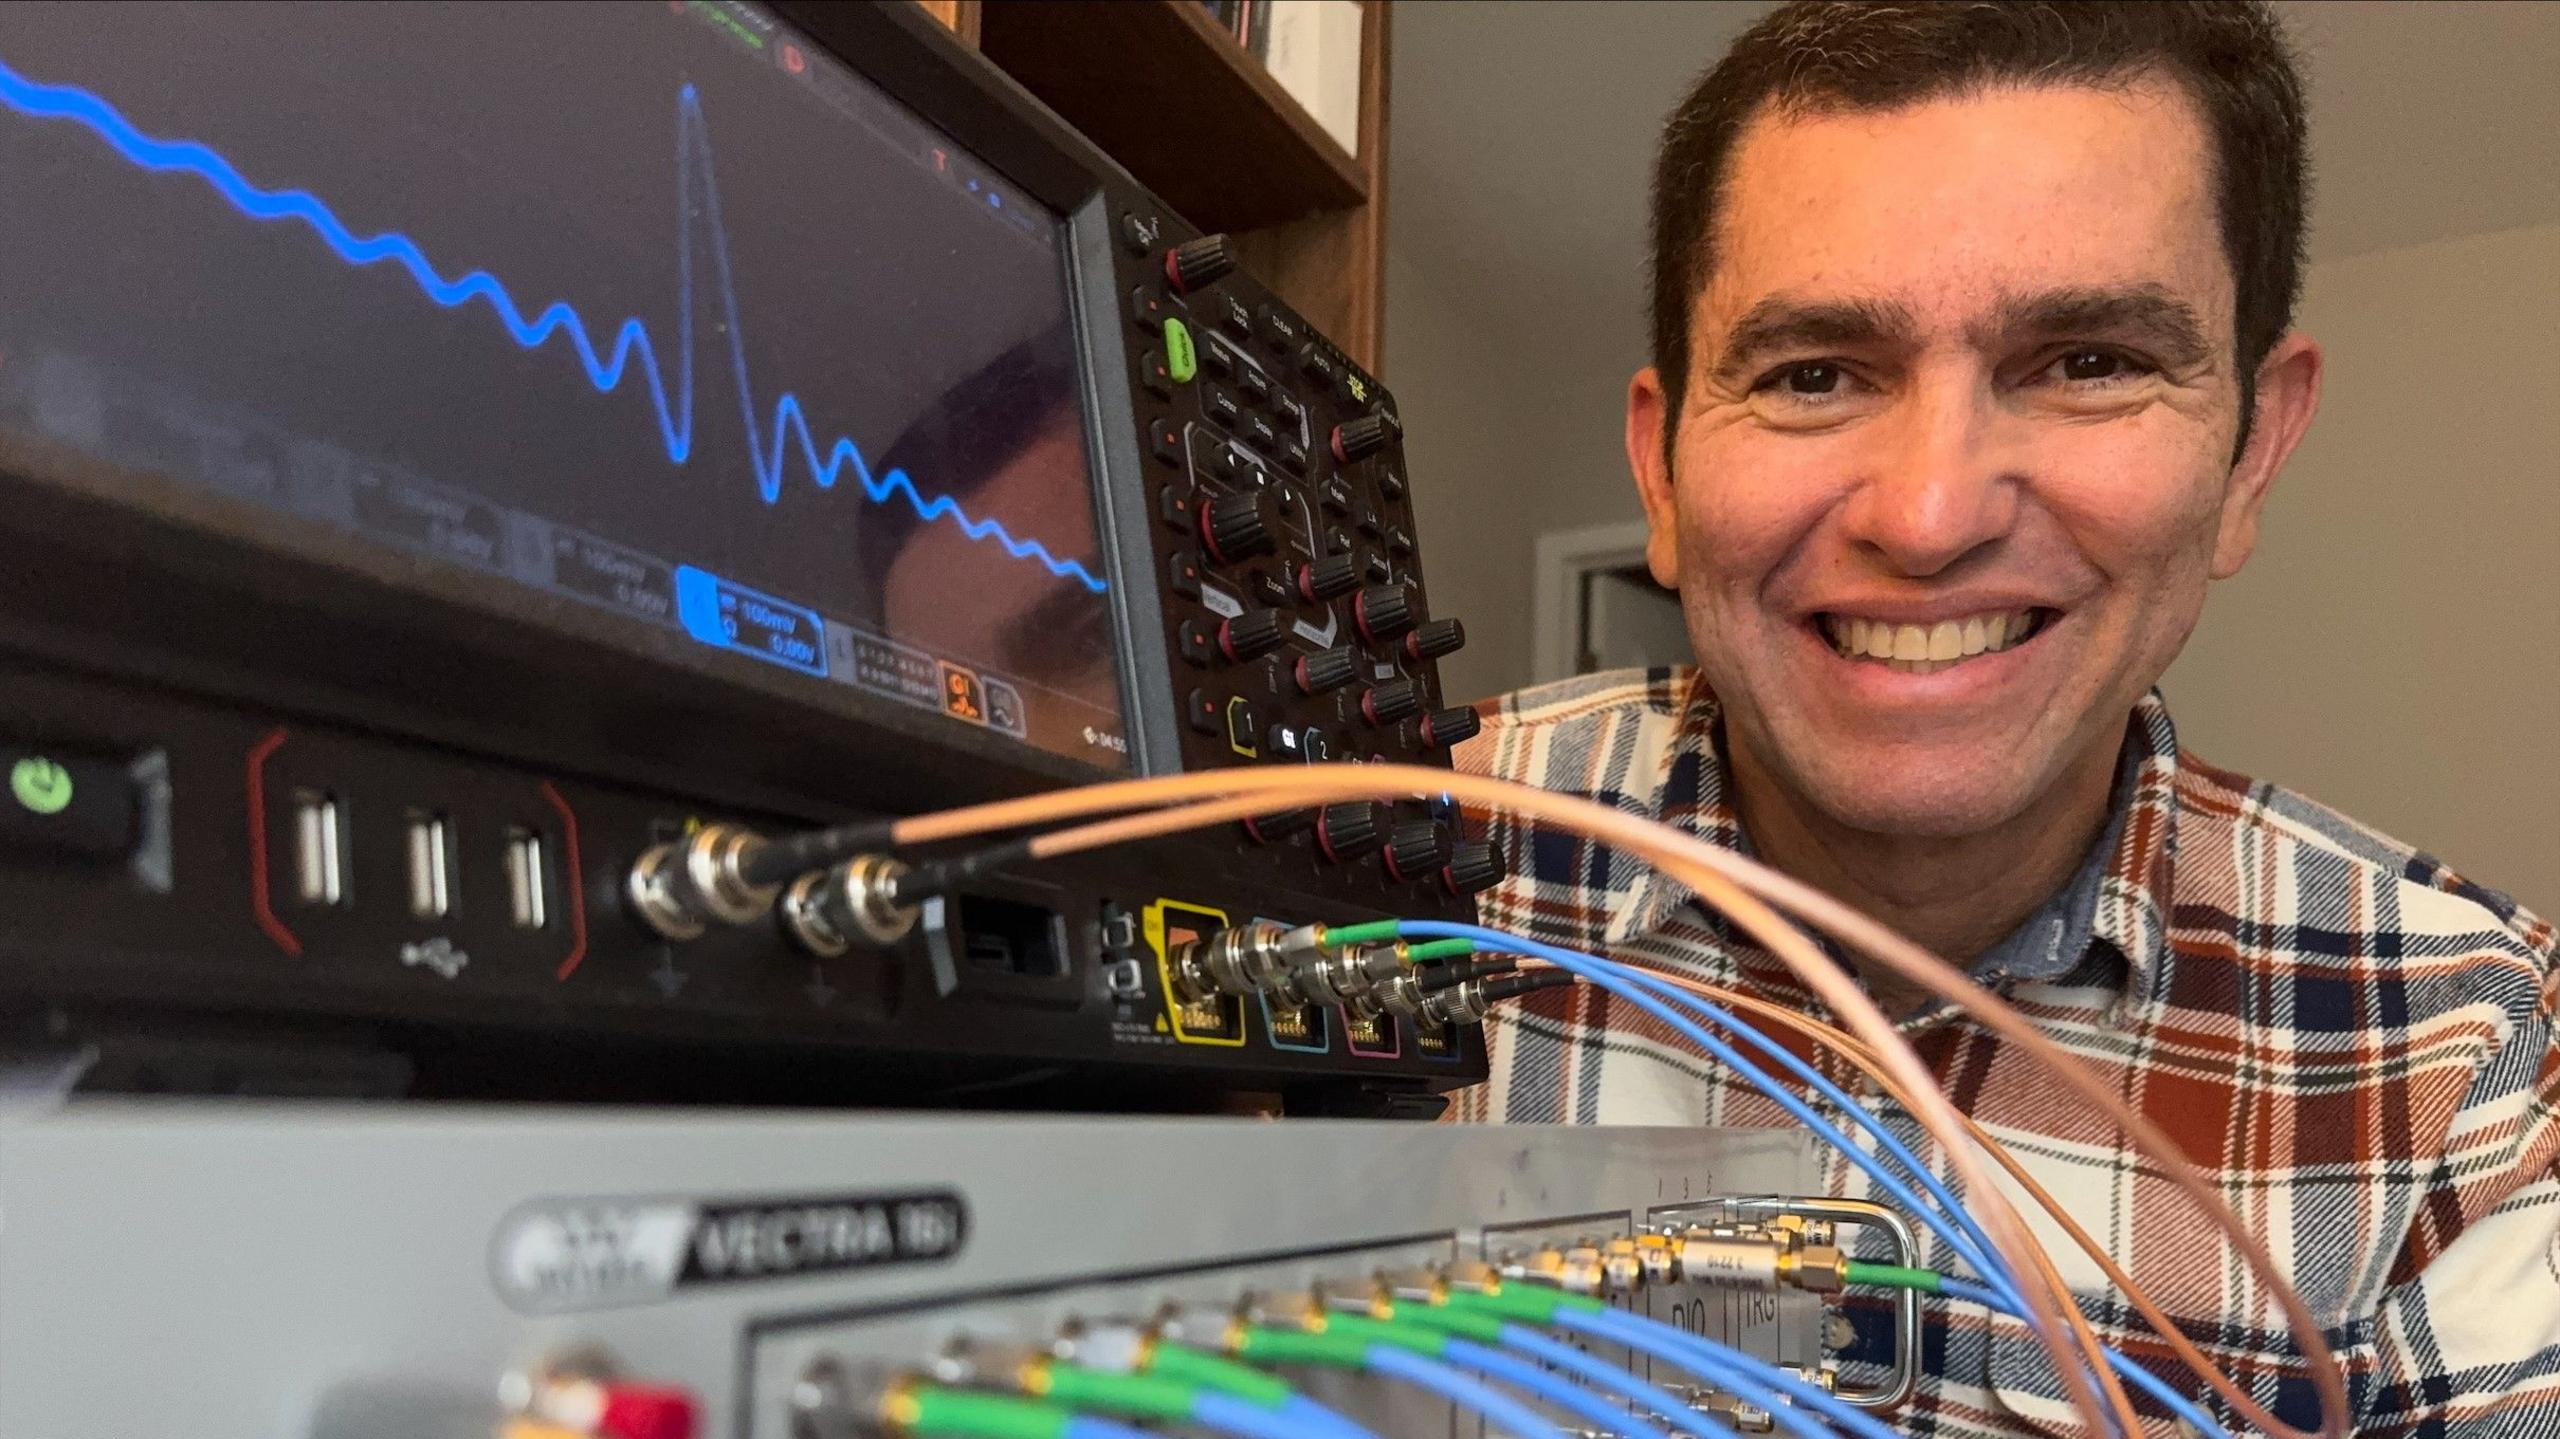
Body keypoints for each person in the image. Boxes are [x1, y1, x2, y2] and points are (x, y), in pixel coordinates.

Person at [1449, 3, 2558, 1432]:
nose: (1928, 518)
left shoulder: (2476, 1071)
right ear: (1661, 472)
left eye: (2087, 360)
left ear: (2247, 456)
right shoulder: (1361, 844)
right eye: (1814, 375)